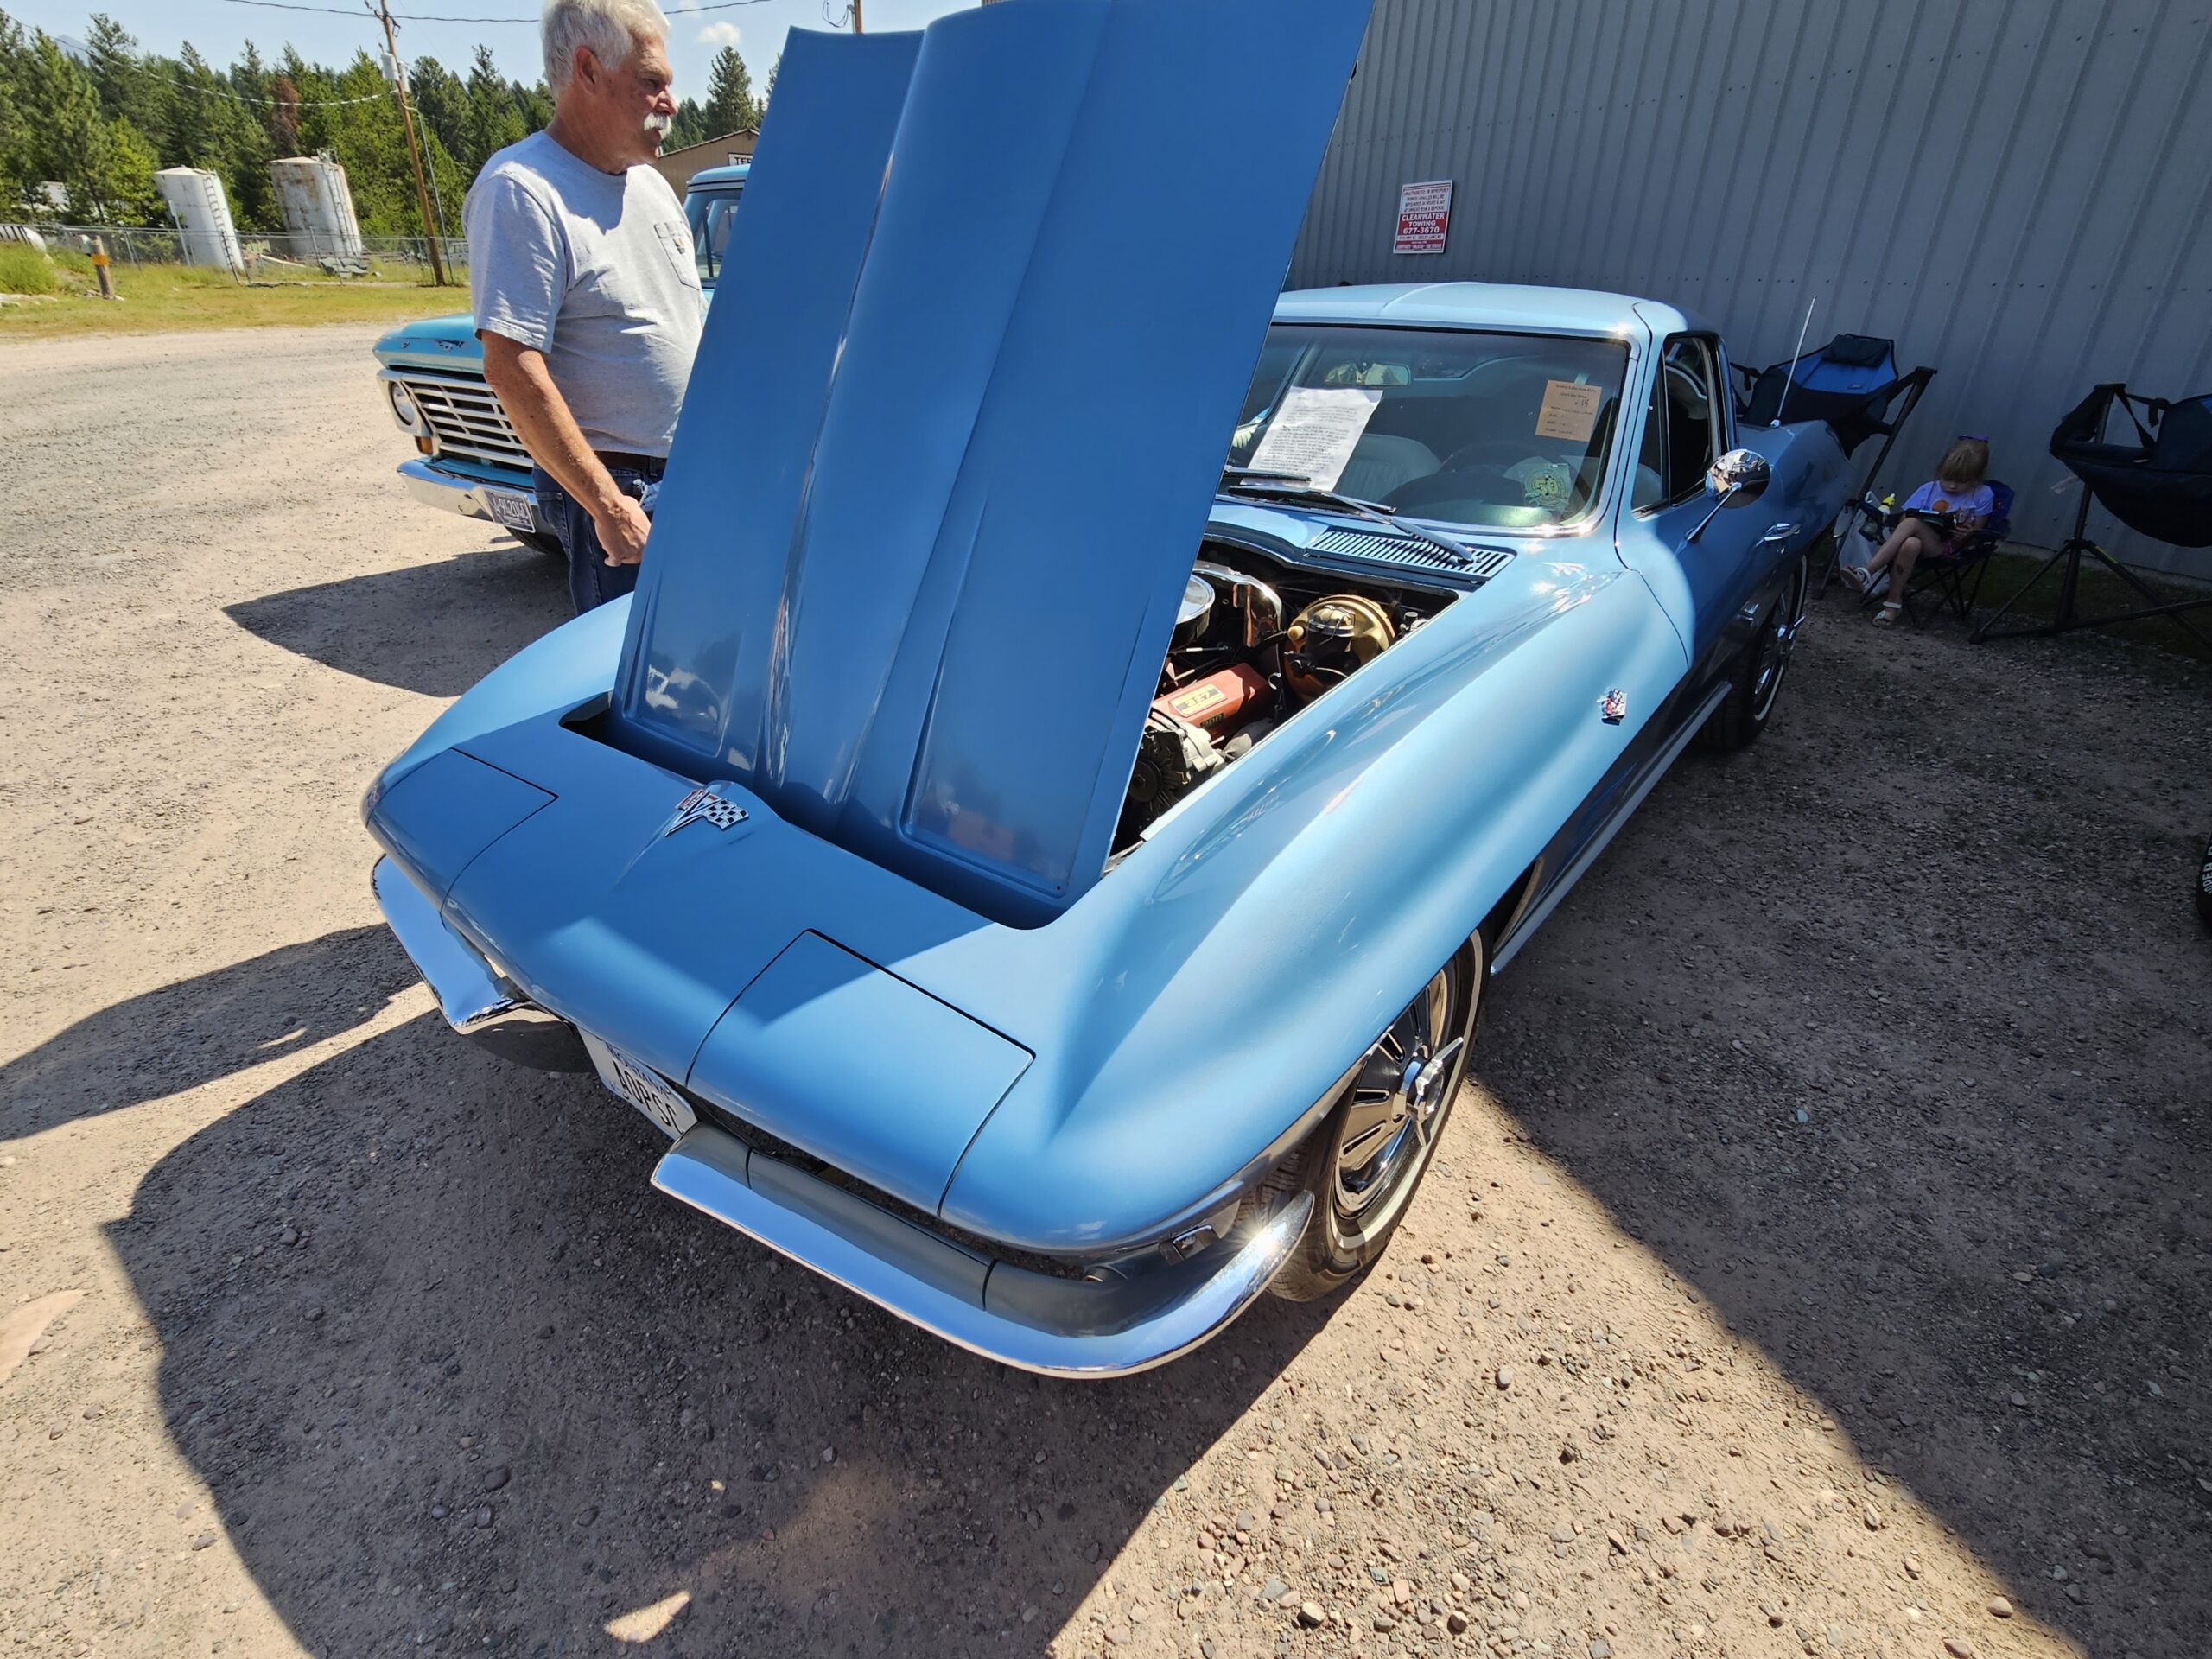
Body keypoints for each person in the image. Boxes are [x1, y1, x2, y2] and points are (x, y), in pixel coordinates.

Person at [464, 0, 702, 613]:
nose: (671, 103)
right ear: (589, 70)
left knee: (699, 656)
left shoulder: (650, 186)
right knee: (630, 663)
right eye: (651, 82)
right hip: (625, 491)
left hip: (692, 473)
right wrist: (607, 505)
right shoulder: (522, 190)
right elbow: (511, 367)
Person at [1844, 437, 1995, 626]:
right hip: (1916, 543)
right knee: (1911, 542)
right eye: (1947, 478)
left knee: (1912, 524)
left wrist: (1967, 535)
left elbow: (1978, 533)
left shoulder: (1983, 494)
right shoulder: (1928, 489)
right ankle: (1892, 606)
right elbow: (1903, 520)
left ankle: (1867, 570)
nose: (1952, 486)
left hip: (1947, 547)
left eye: (1962, 481)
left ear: (1977, 478)